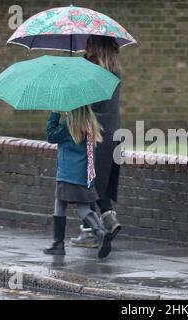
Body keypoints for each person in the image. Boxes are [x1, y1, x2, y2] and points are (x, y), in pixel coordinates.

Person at [70, 35, 122, 248]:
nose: (85, 47)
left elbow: (84, 102)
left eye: (89, 44)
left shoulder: (93, 73)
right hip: (114, 133)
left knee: (87, 182)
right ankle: (109, 220)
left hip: (96, 134)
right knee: (101, 182)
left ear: (96, 47)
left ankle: (90, 231)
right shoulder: (114, 72)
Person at [44, 106, 113, 259]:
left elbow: (50, 136)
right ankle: (100, 232)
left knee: (60, 205)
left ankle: (59, 244)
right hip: (84, 173)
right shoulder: (90, 123)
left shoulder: (68, 125)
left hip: (67, 173)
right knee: (82, 207)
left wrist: (55, 112)